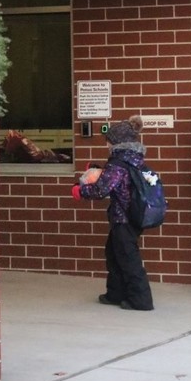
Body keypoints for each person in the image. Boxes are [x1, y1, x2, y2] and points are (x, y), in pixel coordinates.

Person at [72, 115, 154, 311]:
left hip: (123, 218)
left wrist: (80, 191)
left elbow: (102, 190)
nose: (107, 145)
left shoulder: (117, 163)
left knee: (128, 258)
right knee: (114, 253)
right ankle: (115, 293)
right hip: (134, 216)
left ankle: (141, 300)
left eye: (108, 141)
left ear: (116, 142)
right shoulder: (136, 160)